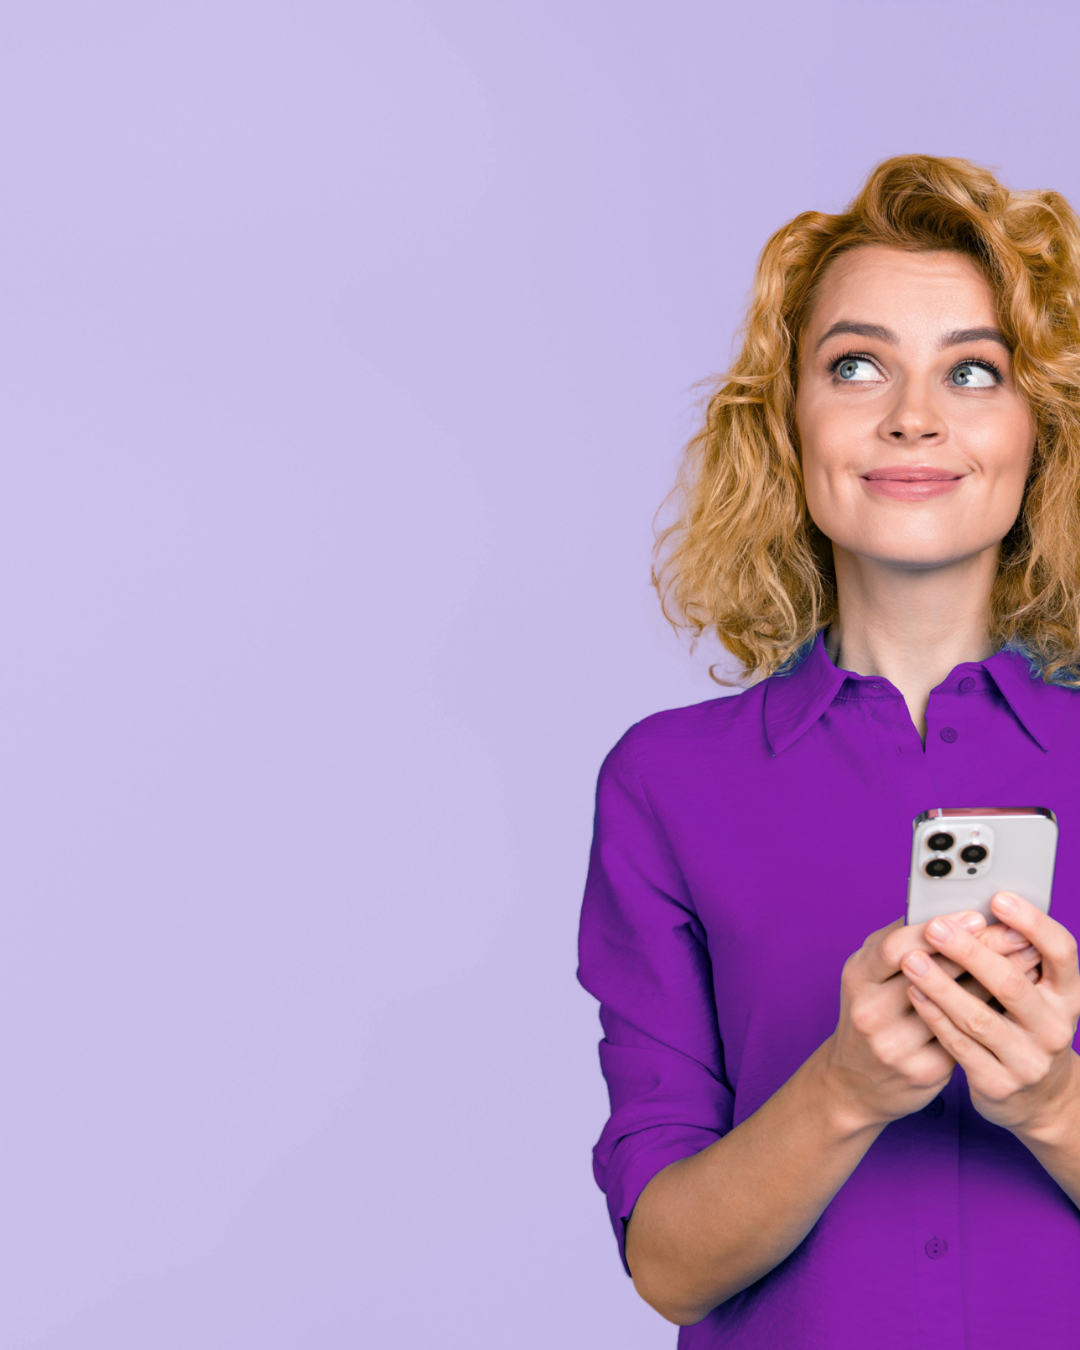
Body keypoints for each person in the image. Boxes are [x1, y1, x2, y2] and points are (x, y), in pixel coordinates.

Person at [577, 155, 1080, 1349]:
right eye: (857, 366)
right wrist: (844, 1090)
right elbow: (667, 1266)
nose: (914, 415)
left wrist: (1052, 1102)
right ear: (787, 422)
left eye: (974, 370)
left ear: (1039, 432)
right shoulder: (666, 785)